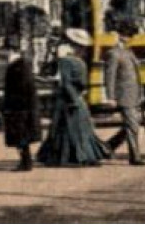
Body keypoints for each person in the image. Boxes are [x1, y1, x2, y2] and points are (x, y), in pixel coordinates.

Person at [37, 35, 106, 166]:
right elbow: (81, 82)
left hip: (67, 99)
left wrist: (72, 98)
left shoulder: (65, 62)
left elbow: (66, 83)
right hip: (79, 98)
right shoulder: (80, 62)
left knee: (64, 129)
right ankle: (85, 154)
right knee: (82, 129)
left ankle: (67, 156)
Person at [103, 21, 145, 165]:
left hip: (133, 94)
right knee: (133, 125)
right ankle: (135, 157)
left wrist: (141, 93)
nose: (128, 38)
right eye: (126, 36)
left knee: (132, 124)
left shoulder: (128, 51)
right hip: (123, 95)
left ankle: (108, 147)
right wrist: (110, 96)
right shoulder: (113, 53)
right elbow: (109, 76)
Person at [2, 37, 42, 171]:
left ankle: (25, 162)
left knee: (21, 137)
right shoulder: (20, 65)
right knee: (21, 138)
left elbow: (23, 88)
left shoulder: (19, 66)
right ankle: (25, 161)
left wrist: (13, 105)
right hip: (20, 108)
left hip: (20, 109)